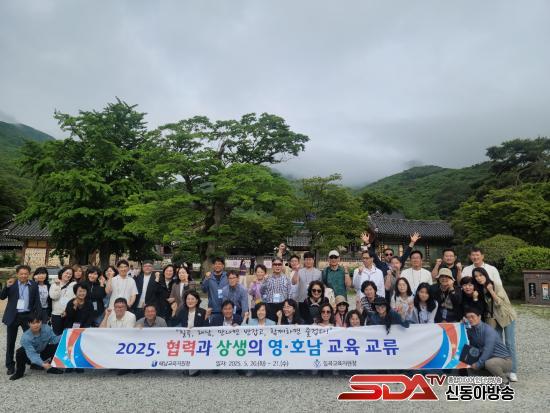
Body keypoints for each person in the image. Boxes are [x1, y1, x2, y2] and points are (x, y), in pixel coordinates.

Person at [472, 267, 518, 382]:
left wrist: (491, 291)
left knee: (509, 343)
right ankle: (500, 369)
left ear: (485, 275)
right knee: (497, 344)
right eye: (476, 276)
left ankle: (513, 371)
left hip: (506, 316)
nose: (478, 278)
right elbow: (480, 308)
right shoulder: (479, 289)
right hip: (493, 319)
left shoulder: (495, 285)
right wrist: (475, 298)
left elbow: (499, 302)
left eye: (480, 275)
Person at [1, 265, 42, 375]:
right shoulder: (12, 284)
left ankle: (33, 361)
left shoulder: (33, 285)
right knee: (10, 342)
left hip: (28, 316)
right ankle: (10, 365)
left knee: (31, 340)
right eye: (21, 274)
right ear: (17, 274)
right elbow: (2, 297)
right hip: (13, 316)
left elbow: (37, 302)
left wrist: (37, 317)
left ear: (29, 274)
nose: (23, 275)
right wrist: (6, 286)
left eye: (26, 273)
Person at [465, 308, 513, 384]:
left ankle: (504, 380)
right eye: (468, 317)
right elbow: (465, 342)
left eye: (472, 316)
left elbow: (488, 351)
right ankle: (487, 377)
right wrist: (462, 325)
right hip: (489, 358)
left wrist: (478, 364)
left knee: (489, 363)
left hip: (504, 360)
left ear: (479, 317)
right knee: (467, 356)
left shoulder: (488, 330)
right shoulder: (472, 330)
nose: (470, 319)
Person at [9, 314, 63, 380]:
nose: (36, 325)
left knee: (56, 345)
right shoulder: (25, 337)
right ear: (29, 324)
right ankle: (19, 373)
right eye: (33, 323)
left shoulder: (46, 329)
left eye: (38, 322)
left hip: (42, 352)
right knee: (20, 352)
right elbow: (32, 354)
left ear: (41, 322)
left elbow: (54, 340)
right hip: (30, 357)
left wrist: (65, 335)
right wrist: (42, 364)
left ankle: (51, 368)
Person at [261, 257, 292, 321]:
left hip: (283, 306)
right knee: (271, 324)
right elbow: (262, 292)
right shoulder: (267, 278)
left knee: (282, 324)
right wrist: (265, 303)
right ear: (272, 266)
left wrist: (287, 307)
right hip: (270, 305)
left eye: (279, 264)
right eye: (275, 264)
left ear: (282, 266)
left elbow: (289, 293)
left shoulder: (286, 279)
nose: (277, 266)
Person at [49, 266, 76, 335]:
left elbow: (75, 299)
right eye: (66, 273)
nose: (68, 275)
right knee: (57, 335)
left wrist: (68, 310)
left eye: (70, 274)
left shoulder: (74, 285)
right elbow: (54, 297)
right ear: (62, 273)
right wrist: (58, 286)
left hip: (69, 314)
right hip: (57, 314)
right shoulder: (54, 284)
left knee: (68, 335)